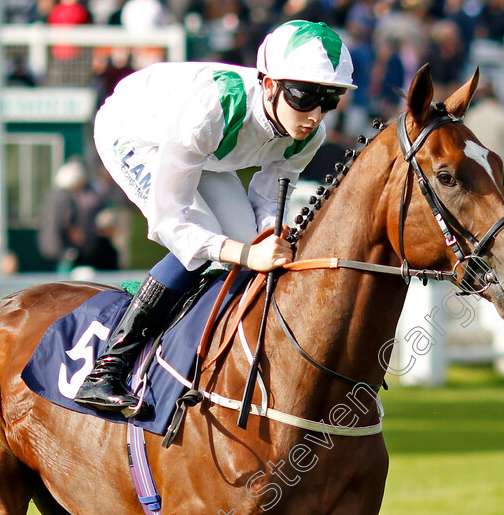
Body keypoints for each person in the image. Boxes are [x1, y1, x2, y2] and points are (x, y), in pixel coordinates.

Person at [74, 20, 356, 416]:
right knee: (207, 244)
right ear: (270, 84)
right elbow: (169, 222)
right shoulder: (213, 109)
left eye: (331, 100)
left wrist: (267, 233)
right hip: (134, 131)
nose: (315, 114)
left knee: (246, 248)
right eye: (305, 96)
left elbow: (270, 194)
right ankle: (108, 368)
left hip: (205, 152)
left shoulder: (311, 133)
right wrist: (244, 252)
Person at [37, 159, 120, 272]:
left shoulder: (53, 197)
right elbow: (66, 223)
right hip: (66, 249)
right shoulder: (65, 199)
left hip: (53, 248)